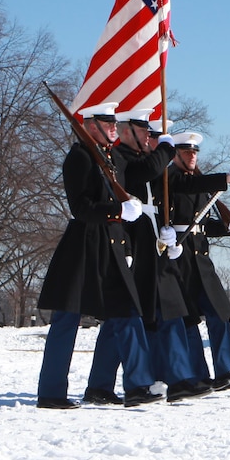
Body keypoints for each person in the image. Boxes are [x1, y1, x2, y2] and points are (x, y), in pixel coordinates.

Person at [36, 102, 174, 409]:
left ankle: (137, 385)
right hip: (84, 245)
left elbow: (144, 169)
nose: (114, 128)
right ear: (91, 125)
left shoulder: (111, 158)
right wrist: (117, 210)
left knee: (127, 312)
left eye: (114, 125)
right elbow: (81, 208)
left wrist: (166, 148)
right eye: (109, 124)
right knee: (66, 320)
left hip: (112, 246)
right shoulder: (80, 157)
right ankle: (51, 392)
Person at [83, 109, 211, 405]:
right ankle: (102, 384)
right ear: (130, 131)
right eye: (150, 134)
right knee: (123, 319)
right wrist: (166, 150)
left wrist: (168, 230)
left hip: (155, 245)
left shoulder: (150, 161)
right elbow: (144, 175)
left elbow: (174, 190)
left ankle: (178, 379)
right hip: (135, 246)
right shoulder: (123, 158)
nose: (152, 140)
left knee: (170, 312)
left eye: (154, 136)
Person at [164, 131, 230, 391]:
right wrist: (226, 179)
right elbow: (187, 190)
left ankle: (225, 369)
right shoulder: (171, 178)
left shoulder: (199, 181)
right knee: (189, 319)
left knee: (220, 313)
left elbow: (201, 226)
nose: (192, 156)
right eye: (186, 152)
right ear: (176, 155)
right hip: (178, 258)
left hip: (200, 259)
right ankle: (197, 374)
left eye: (194, 152)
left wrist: (227, 228)